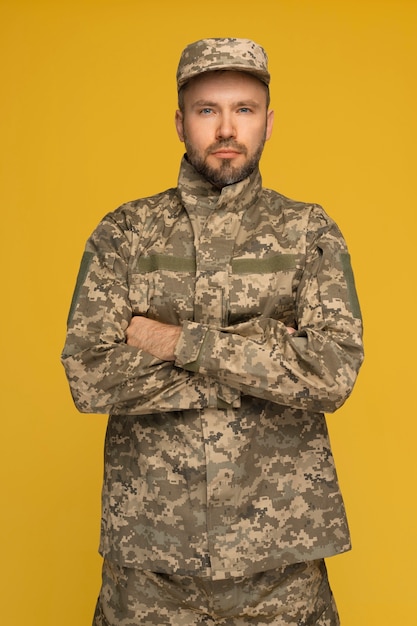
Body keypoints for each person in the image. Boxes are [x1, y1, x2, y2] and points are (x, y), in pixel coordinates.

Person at [62, 38, 364, 626]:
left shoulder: (308, 232)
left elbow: (331, 374)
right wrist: (267, 354)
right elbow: (88, 376)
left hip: (282, 571)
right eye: (207, 110)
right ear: (180, 122)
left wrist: (178, 342)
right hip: (151, 571)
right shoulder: (124, 234)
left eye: (244, 110)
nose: (227, 128)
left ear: (268, 123)